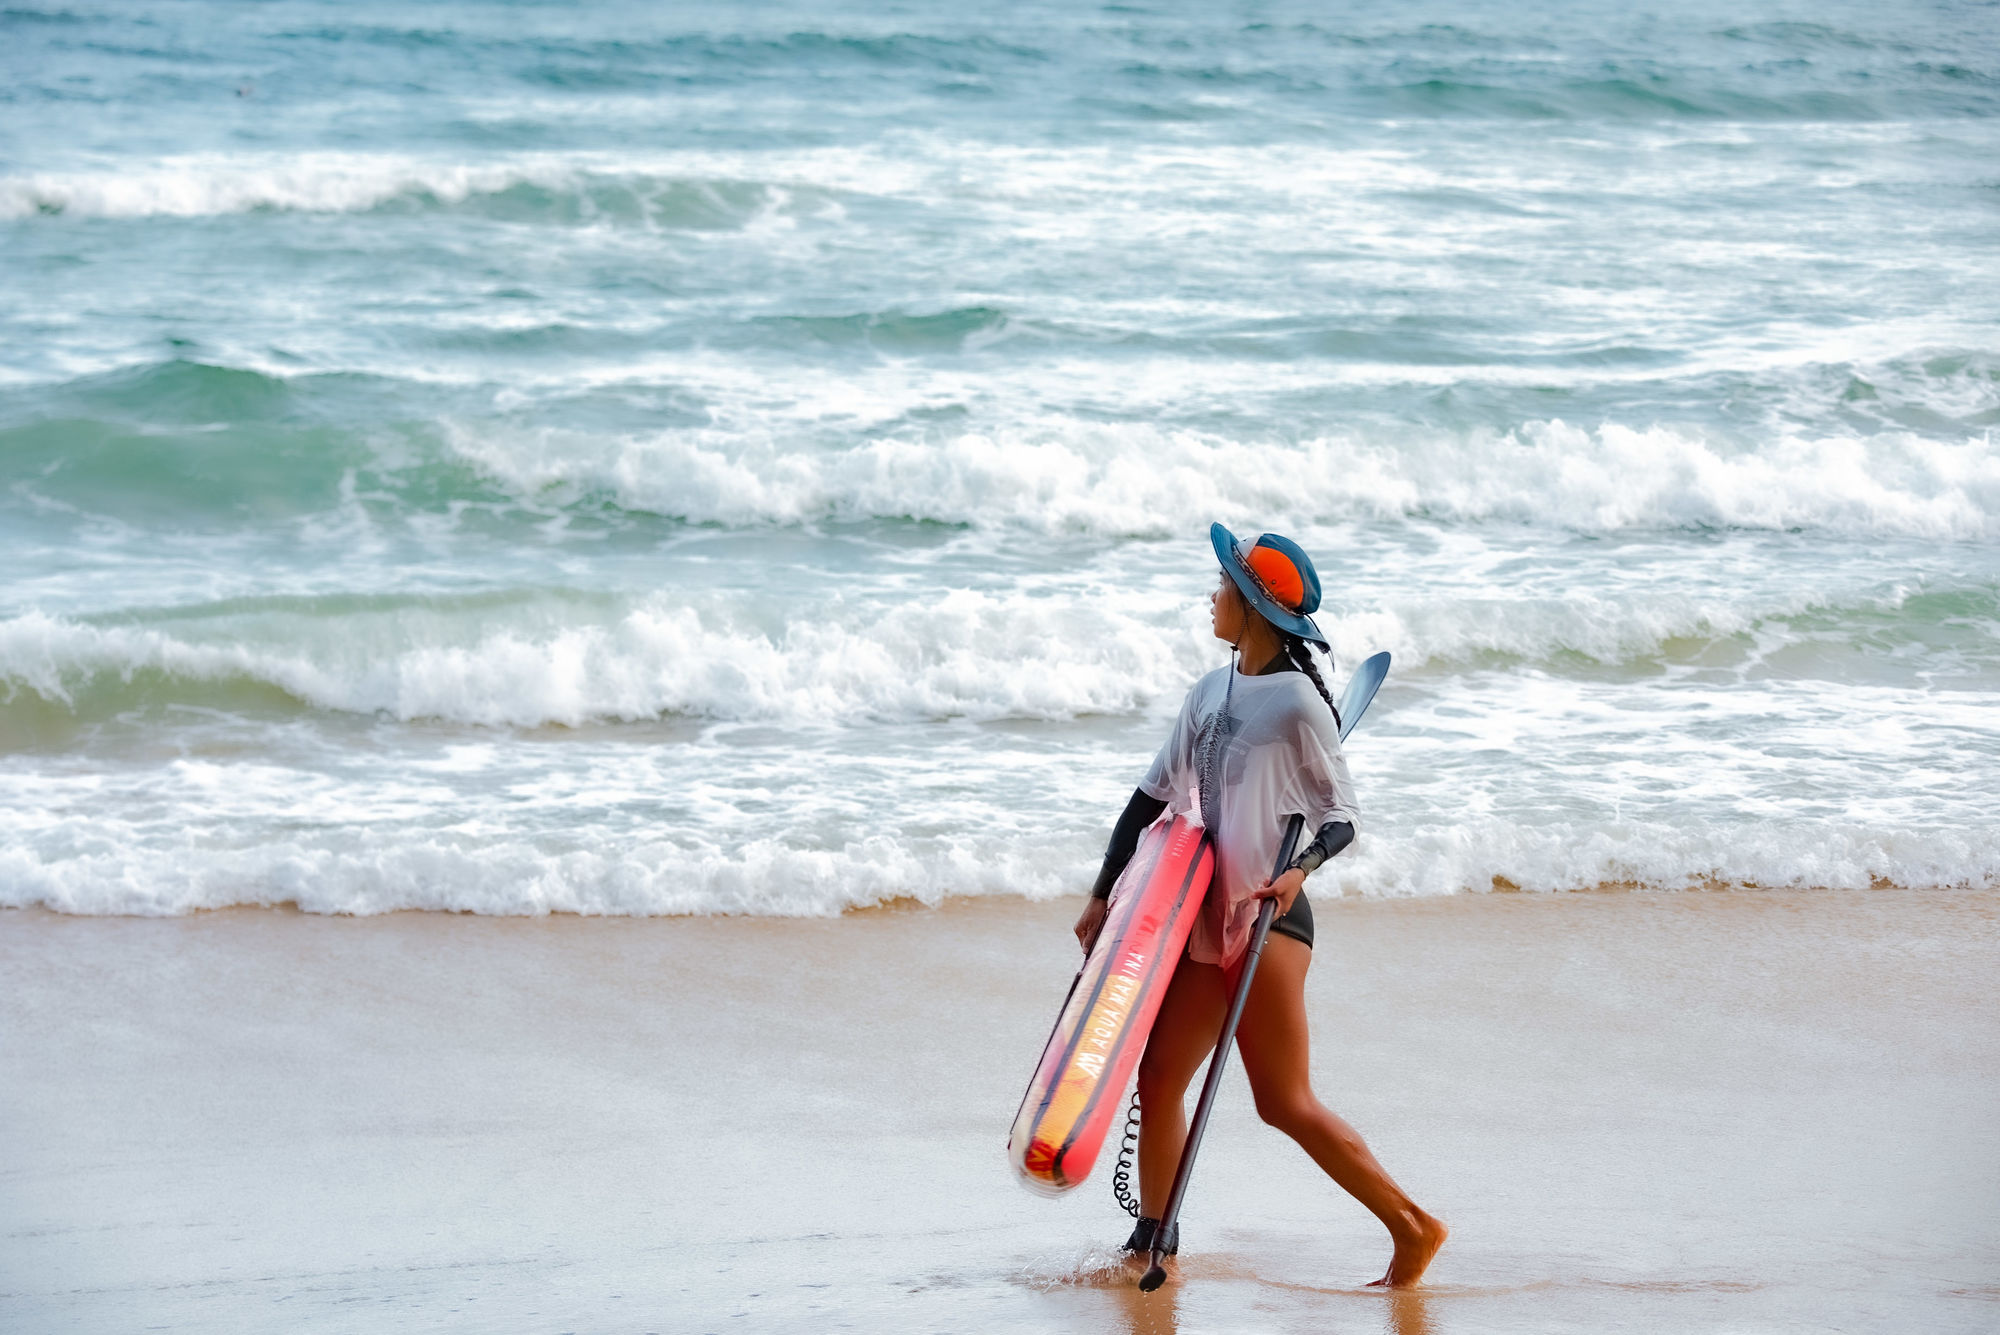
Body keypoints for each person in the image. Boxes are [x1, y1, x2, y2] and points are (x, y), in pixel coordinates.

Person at [1072, 523, 1447, 1289]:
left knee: (1283, 1102)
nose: (1211, 597)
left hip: (1271, 921)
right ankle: (1154, 1235)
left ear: (1251, 607)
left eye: (1223, 588)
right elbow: (1147, 799)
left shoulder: (1301, 706)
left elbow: (1342, 815)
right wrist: (1103, 890)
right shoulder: (1208, 691)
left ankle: (1413, 1226)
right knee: (1159, 1078)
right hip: (1207, 922)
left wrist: (1300, 870)